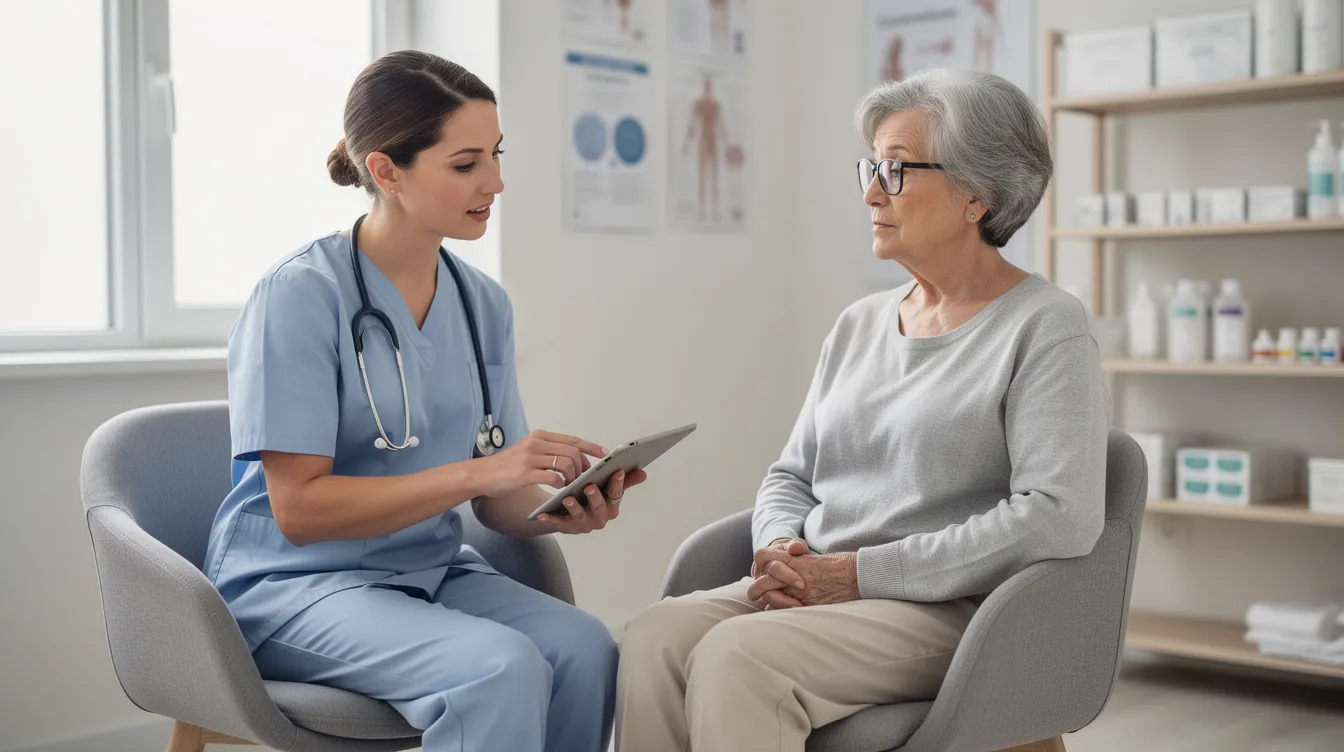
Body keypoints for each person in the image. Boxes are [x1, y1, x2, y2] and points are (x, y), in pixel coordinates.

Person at [615, 68, 1109, 752]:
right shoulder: (858, 324)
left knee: (739, 658)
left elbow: (1058, 516)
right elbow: (791, 474)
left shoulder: (1045, 325)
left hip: (949, 610)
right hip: (823, 584)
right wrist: (781, 548)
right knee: (652, 639)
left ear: (977, 193)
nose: (873, 192)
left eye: (898, 171)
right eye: (871, 169)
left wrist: (855, 574)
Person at [201, 51, 642, 752]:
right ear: (385, 171)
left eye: (496, 155)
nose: (495, 182)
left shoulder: (481, 304)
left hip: (427, 570)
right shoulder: (298, 297)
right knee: (496, 670)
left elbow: (497, 502)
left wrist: (563, 508)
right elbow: (299, 511)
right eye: (466, 164)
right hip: (294, 586)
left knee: (587, 649)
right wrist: (483, 474)